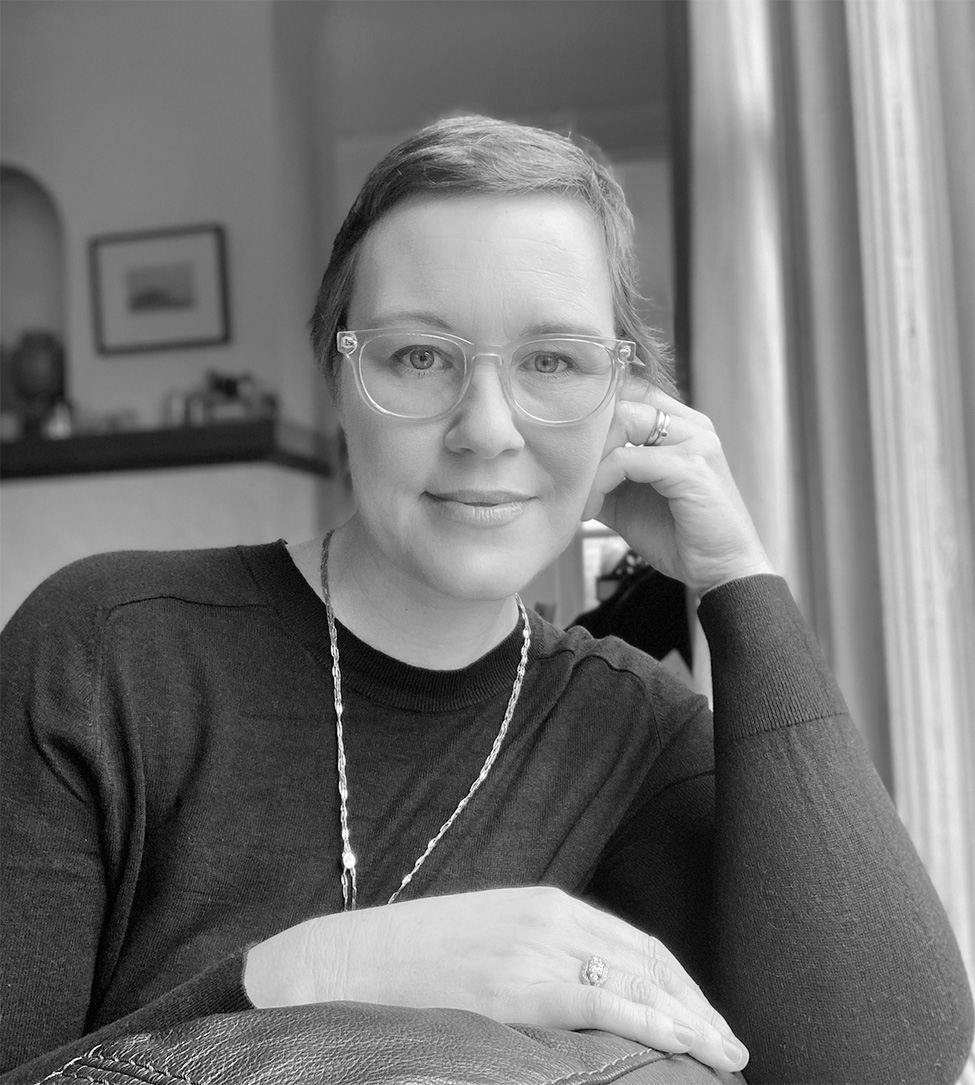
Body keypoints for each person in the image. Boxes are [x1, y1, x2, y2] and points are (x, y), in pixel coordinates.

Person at [1, 115, 972, 1085]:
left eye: (554, 360)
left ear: (622, 398)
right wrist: (327, 968)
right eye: (419, 355)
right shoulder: (104, 650)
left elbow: (889, 1056)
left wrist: (738, 576)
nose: (486, 427)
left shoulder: (629, 732)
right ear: (341, 376)